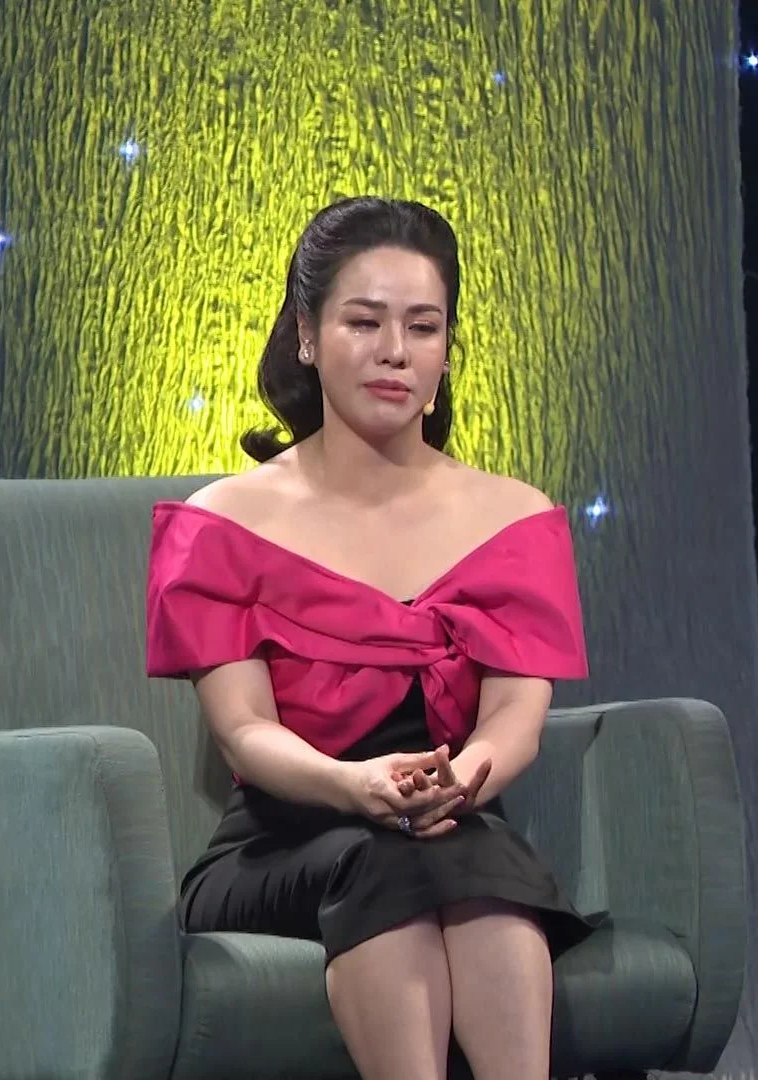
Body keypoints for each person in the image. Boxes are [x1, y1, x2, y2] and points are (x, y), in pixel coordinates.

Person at [145, 196, 597, 1080]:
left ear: (446, 350)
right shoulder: (223, 524)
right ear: (306, 336)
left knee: (476, 861)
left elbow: (515, 721)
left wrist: (462, 779)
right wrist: (353, 785)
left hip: (454, 827)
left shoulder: (515, 518)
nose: (396, 351)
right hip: (281, 840)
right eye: (364, 322)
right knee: (384, 862)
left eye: (423, 327)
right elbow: (243, 730)